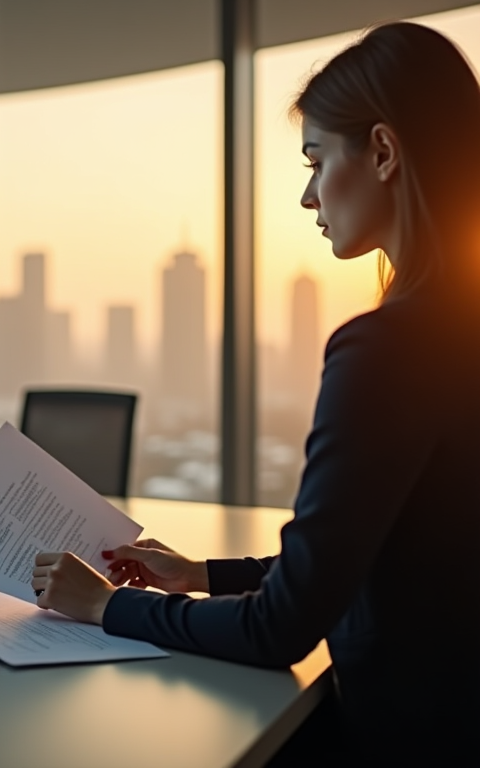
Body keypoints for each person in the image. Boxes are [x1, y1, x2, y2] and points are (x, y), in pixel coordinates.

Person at [31, 21, 480, 768]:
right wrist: (202, 576)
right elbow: (374, 557)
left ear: (381, 152)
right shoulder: (454, 329)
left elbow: (281, 630)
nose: (309, 196)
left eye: (317, 161)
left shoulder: (386, 351)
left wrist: (106, 605)